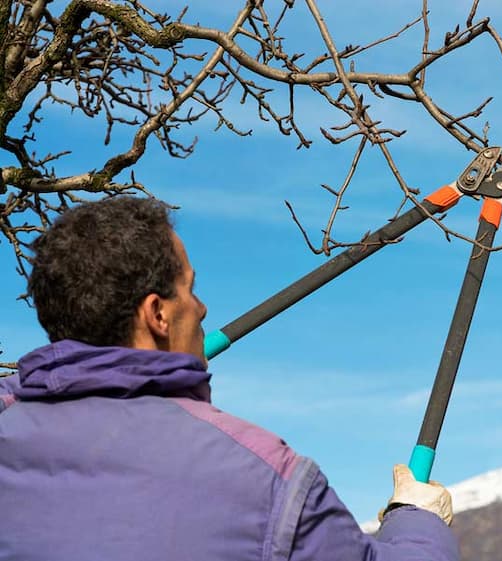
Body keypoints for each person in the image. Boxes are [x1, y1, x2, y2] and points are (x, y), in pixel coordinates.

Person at [0, 196, 457, 561]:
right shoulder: (266, 478)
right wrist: (416, 519)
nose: (201, 308)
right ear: (157, 314)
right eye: (189, 289)